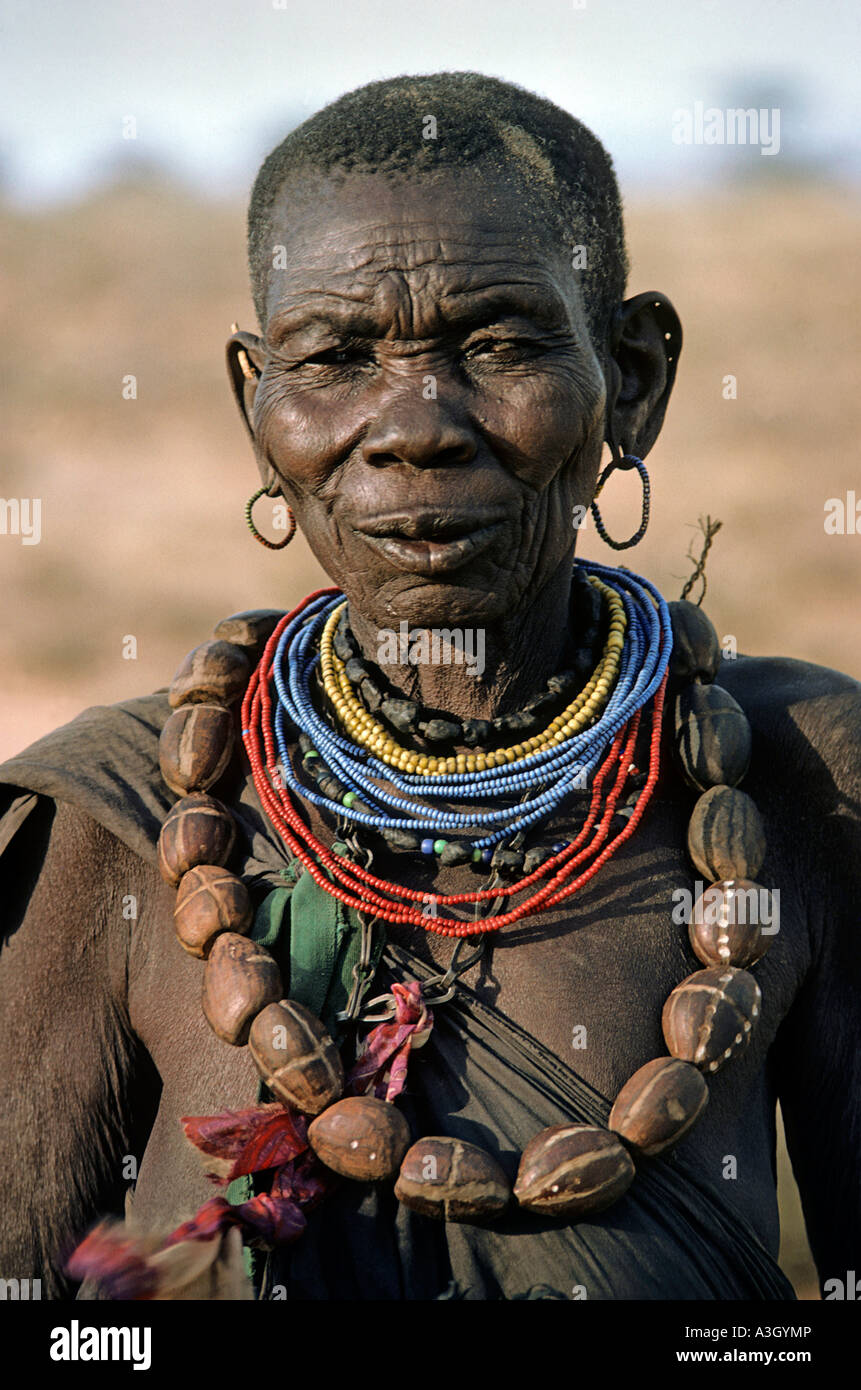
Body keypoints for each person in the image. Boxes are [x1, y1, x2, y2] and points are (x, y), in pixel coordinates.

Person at [0, 72, 858, 1302]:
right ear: (256, 408)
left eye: (497, 344)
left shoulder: (806, 786)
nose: (416, 427)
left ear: (632, 378)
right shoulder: (121, 820)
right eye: (336, 356)